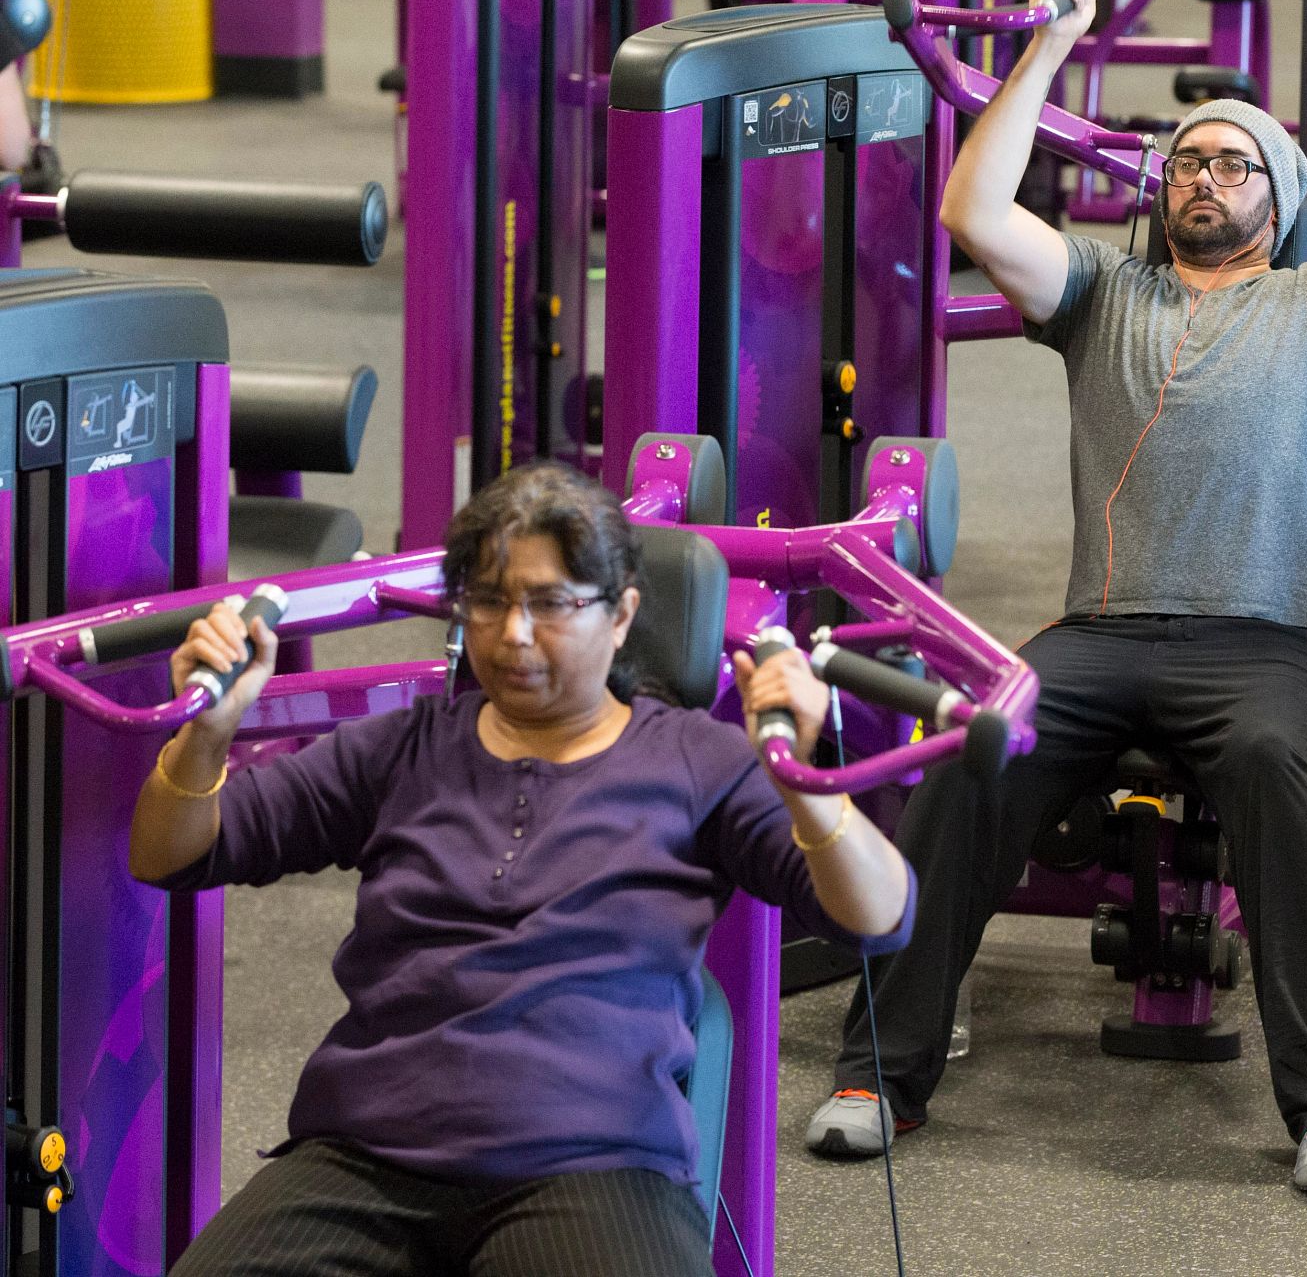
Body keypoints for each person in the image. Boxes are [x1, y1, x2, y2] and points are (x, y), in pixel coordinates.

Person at [802, 0, 1307, 1197]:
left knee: (1267, 763)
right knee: (972, 750)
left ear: (1283, 194)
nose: (1202, 179)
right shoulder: (1102, 293)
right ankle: (878, 1073)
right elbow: (973, 213)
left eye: (1233, 165)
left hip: (1273, 644)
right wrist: (1052, 40)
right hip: (1098, 633)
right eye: (1185, 162)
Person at [134, 463, 913, 1275]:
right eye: (489, 600)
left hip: (594, 1163)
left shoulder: (697, 761)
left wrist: (806, 788)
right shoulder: (404, 748)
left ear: (621, 615)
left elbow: (882, 916)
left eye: (549, 604)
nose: (512, 633)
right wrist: (207, 734)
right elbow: (168, 852)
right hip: (367, 1151)